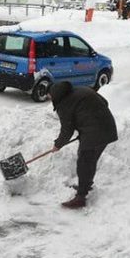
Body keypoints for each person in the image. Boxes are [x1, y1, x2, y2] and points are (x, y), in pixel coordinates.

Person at [49, 81, 118, 209]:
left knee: (85, 162)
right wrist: (87, 122)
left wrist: (58, 145)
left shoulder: (64, 104)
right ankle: (85, 185)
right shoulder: (81, 89)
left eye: (50, 96)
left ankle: (80, 197)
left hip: (95, 133)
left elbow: (67, 129)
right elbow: (104, 102)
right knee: (89, 159)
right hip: (107, 126)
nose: (49, 98)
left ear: (55, 95)